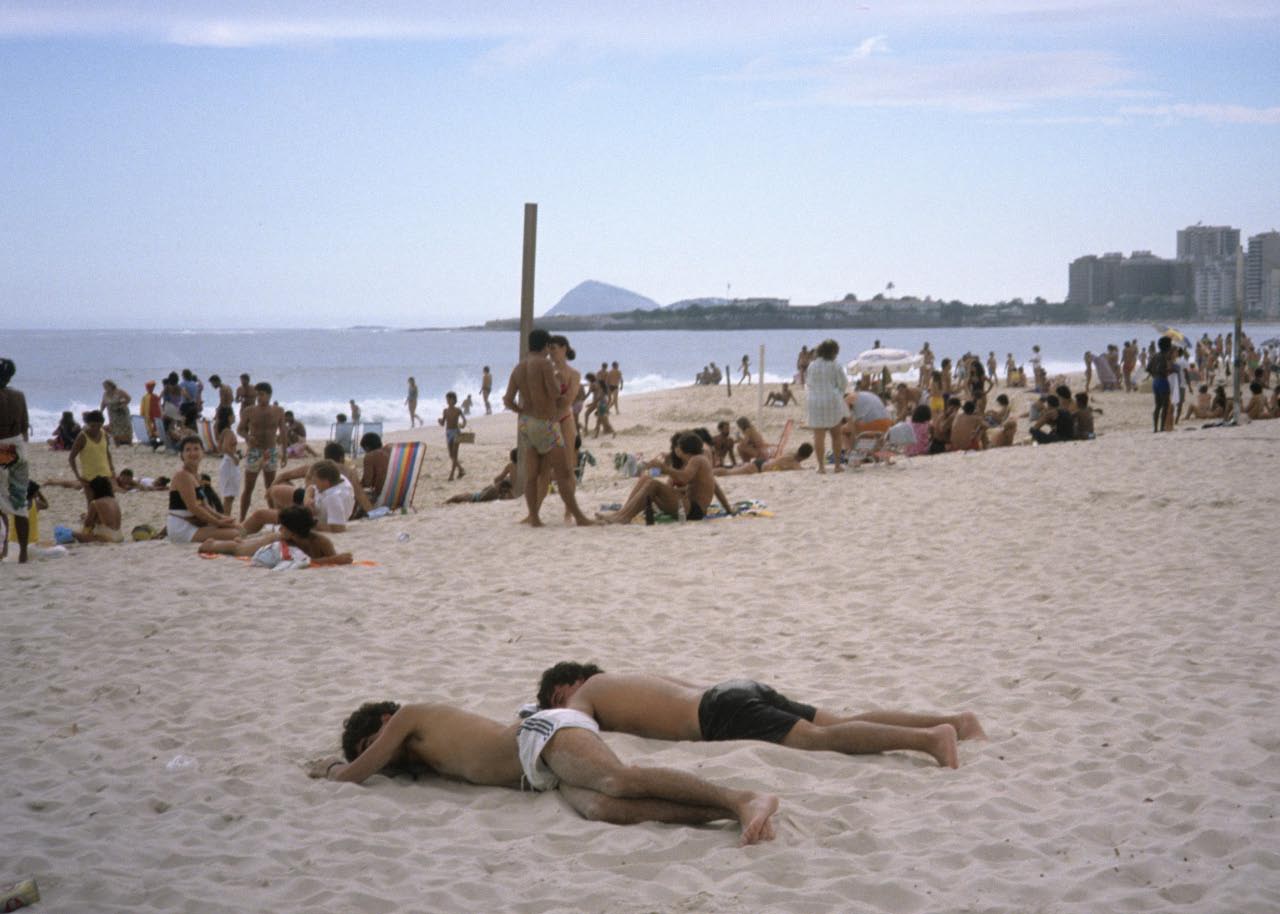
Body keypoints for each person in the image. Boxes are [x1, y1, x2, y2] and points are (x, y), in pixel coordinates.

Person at [310, 701, 778, 845]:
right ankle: (717, 814)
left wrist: (332, 766)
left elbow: (355, 775)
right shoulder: (421, 758)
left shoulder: (409, 716)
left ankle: (740, 798)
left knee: (617, 779)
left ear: (382, 724)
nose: (378, 754)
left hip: (540, 734)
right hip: (536, 772)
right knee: (602, 808)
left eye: (371, 743)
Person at [536, 663, 984, 770]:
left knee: (816, 740)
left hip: (716, 713)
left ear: (571, 683)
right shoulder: (623, 677)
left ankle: (931, 740)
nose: (561, 706)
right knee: (836, 720)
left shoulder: (588, 693)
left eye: (557, 697)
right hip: (731, 690)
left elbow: (573, 727)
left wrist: (547, 719)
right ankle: (956, 721)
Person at [502, 330, 592, 527]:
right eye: (548, 347)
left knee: (532, 474)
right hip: (546, 423)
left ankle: (535, 517)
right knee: (564, 473)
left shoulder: (519, 367)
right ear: (544, 347)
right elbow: (553, 392)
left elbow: (507, 399)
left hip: (527, 423)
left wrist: (521, 410)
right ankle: (580, 517)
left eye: (554, 348)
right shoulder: (544, 364)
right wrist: (556, 386)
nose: (550, 352)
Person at [598, 433, 714, 524]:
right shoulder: (690, 462)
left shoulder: (698, 459)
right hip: (685, 504)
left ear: (684, 449)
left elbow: (684, 478)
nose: (675, 449)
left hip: (693, 510)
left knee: (653, 484)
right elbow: (671, 484)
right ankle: (622, 513)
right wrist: (651, 469)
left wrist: (664, 469)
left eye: (677, 447)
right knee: (646, 478)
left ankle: (625, 517)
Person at [199, 504, 353, 565]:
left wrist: (335, 559)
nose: (280, 530)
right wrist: (334, 559)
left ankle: (238, 540)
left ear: (292, 532)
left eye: (283, 527)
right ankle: (211, 544)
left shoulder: (322, 542)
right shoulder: (284, 540)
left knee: (241, 545)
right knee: (239, 549)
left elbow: (327, 560)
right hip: (271, 543)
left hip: (281, 542)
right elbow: (303, 562)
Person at [242, 459, 354, 534]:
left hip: (308, 521)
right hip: (311, 514)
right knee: (276, 492)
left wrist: (309, 523)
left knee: (260, 515)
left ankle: (239, 531)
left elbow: (338, 528)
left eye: (316, 480)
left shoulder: (333, 498)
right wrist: (307, 500)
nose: (313, 482)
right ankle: (240, 529)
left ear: (326, 482)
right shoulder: (337, 479)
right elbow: (311, 488)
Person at [166, 436, 239, 544]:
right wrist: (218, 523)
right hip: (182, 527)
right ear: (182, 455)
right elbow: (193, 507)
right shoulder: (182, 476)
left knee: (236, 528)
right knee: (234, 533)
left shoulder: (196, 476)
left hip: (193, 523)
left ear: (202, 453)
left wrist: (222, 517)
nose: (192, 453)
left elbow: (204, 505)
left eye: (196, 449)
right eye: (188, 450)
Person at [237, 382, 288, 521]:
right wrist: (248, 437)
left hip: (270, 451)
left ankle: (274, 518)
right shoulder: (249, 411)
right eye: (257, 394)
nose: (259, 397)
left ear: (269, 395)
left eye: (262, 394)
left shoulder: (278, 411)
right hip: (254, 451)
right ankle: (242, 519)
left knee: (270, 487)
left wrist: (284, 453)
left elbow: (283, 432)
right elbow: (240, 429)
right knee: (249, 488)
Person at [0, 358, 32, 562]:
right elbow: (24, 426)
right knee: (19, 501)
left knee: (0, 502)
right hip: (18, 447)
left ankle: (2, 550)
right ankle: (22, 553)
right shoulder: (19, 396)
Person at [68, 410, 115, 508]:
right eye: (93, 426)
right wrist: (77, 476)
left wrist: (112, 468)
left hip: (105, 474)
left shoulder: (104, 434)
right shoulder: (82, 437)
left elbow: (107, 452)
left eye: (99, 426)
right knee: (92, 503)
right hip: (89, 477)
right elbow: (71, 458)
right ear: (87, 424)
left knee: (109, 501)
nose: (96, 429)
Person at [446, 449, 518, 504]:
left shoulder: (511, 466)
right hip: (496, 491)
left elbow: (496, 480)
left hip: (491, 492)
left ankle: (443, 503)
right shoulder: (524, 468)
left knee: (460, 497)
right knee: (465, 496)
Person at [73, 474, 124, 543]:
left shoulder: (95, 503)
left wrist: (84, 518)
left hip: (107, 538)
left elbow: (88, 524)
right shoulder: (114, 500)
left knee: (73, 534)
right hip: (119, 536)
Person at [714, 443, 814, 475]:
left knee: (731, 470)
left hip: (761, 463)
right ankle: (711, 472)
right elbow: (801, 470)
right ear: (806, 457)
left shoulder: (791, 454)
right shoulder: (794, 464)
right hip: (758, 467)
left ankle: (712, 471)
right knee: (729, 473)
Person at [214, 405, 241, 519]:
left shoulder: (223, 431)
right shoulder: (228, 432)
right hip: (229, 462)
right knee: (229, 496)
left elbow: (219, 447)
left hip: (226, 461)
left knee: (228, 496)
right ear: (229, 417)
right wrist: (234, 457)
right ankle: (226, 518)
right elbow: (224, 447)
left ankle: (226, 517)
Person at [1147, 336, 1173, 434]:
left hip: (1156, 381)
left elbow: (1148, 368)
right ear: (1168, 346)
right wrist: (1170, 370)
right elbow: (1163, 369)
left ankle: (1155, 428)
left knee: (1157, 406)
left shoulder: (1155, 355)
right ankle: (1162, 427)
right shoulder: (1164, 356)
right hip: (1163, 380)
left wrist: (1154, 376)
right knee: (1165, 405)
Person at [439, 391, 466, 481]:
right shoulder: (445, 411)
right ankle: (461, 469)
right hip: (448, 433)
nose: (447, 401)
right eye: (447, 399)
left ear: (454, 400)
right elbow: (443, 423)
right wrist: (440, 421)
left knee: (455, 454)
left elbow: (464, 421)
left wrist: (463, 425)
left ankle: (451, 475)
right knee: (451, 455)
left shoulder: (458, 410)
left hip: (456, 432)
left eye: (449, 399)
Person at [358, 433, 390, 503]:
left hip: (381, 496)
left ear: (367, 447)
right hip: (399, 493)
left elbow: (367, 483)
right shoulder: (391, 450)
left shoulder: (370, 456)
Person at [100, 380, 133, 445]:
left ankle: (129, 442)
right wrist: (101, 411)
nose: (105, 388)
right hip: (112, 414)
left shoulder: (119, 392)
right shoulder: (105, 394)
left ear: (111, 385)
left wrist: (123, 404)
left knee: (125, 428)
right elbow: (103, 403)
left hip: (121, 412)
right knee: (114, 428)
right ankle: (117, 443)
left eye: (106, 386)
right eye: (104, 387)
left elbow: (128, 398)